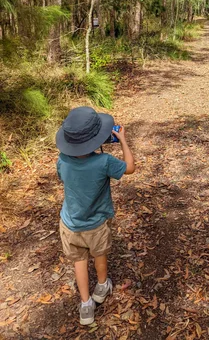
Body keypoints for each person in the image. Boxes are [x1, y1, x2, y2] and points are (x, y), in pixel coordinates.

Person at [56, 106, 135, 326]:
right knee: (99, 253)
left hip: (70, 223)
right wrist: (122, 141)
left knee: (79, 261)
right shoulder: (104, 161)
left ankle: (86, 305)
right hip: (96, 223)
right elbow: (130, 168)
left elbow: (63, 177)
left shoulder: (63, 160)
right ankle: (102, 286)